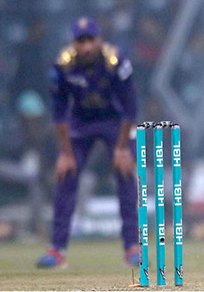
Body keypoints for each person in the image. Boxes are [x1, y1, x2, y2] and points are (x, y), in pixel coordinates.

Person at [36, 18, 140, 269]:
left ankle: (132, 247)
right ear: (74, 43)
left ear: (100, 40)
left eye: (90, 40)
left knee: (126, 176)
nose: (86, 47)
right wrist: (65, 153)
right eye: (81, 42)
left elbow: (130, 107)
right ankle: (58, 249)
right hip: (80, 123)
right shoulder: (63, 65)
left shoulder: (116, 61)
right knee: (66, 176)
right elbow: (60, 114)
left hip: (115, 122)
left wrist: (122, 148)